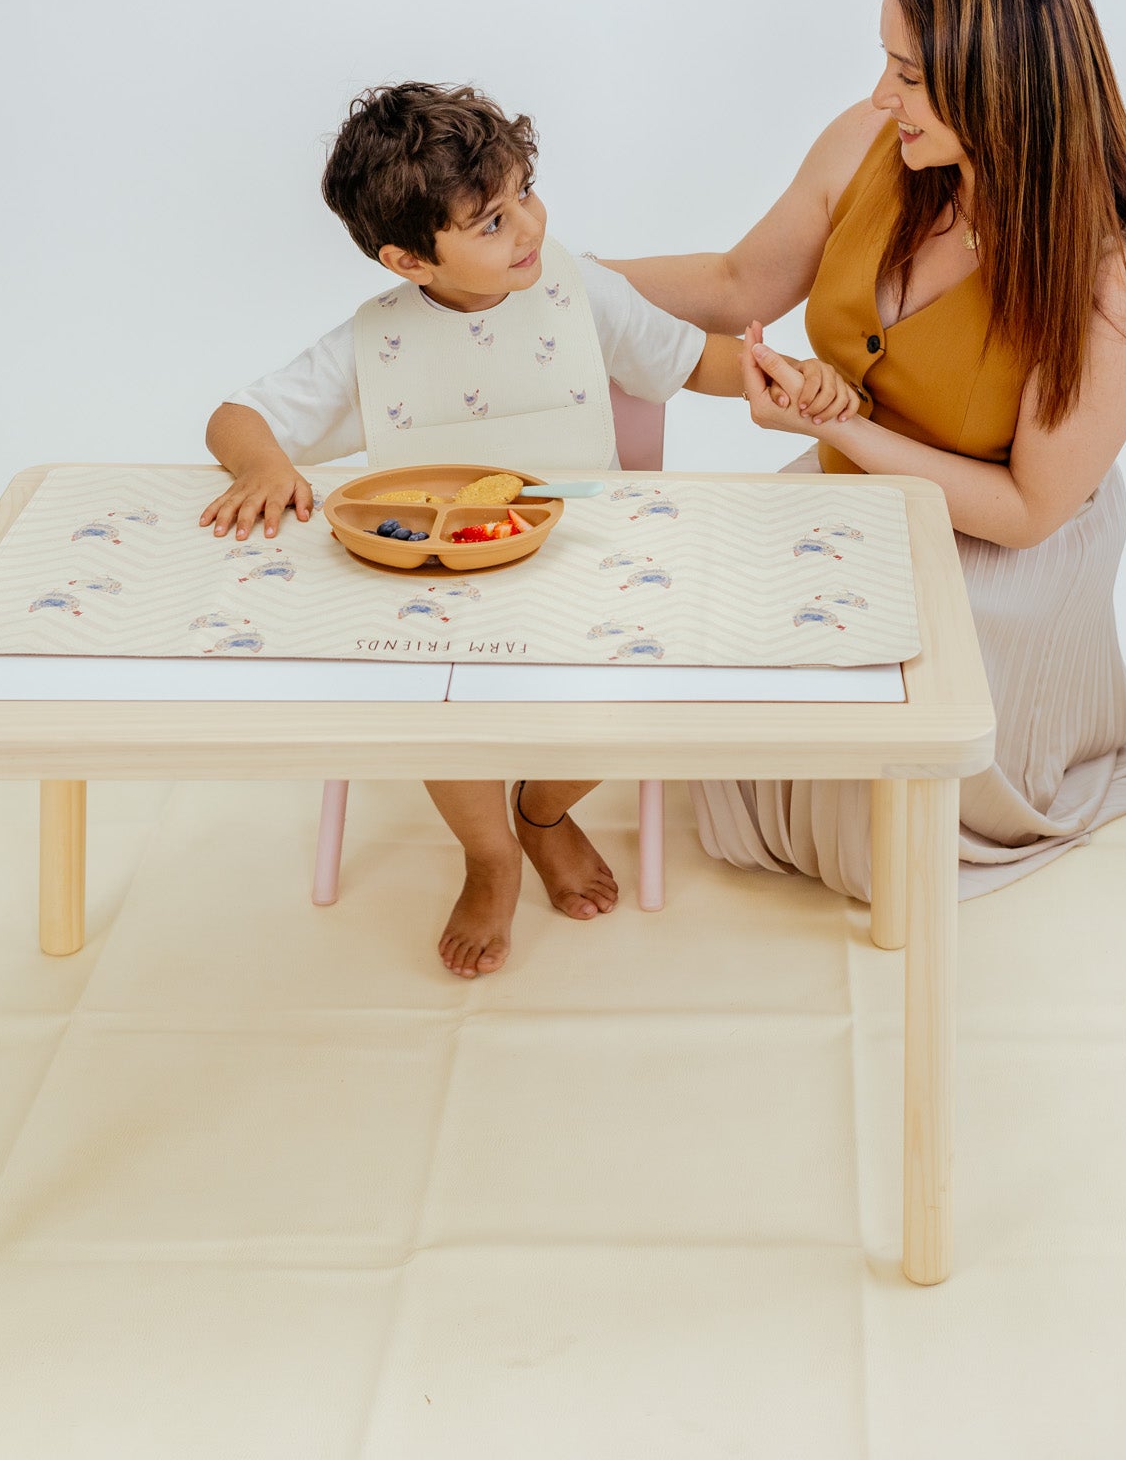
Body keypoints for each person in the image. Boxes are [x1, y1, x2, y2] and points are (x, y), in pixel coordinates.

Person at [606, 0, 1126, 898]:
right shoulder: (873, 144)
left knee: (875, 839)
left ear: (1000, 87)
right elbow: (737, 282)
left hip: (998, 551)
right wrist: (560, 282)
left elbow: (1029, 509)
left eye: (908, 72)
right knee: (699, 626)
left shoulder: (1115, 280)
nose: (877, 95)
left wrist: (836, 425)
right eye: (885, 60)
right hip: (855, 495)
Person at [199, 82, 769, 974]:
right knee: (437, 705)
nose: (529, 229)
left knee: (658, 688)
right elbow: (236, 417)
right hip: (438, 576)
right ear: (408, 261)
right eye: (491, 224)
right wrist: (268, 466)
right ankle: (490, 851)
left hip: (580, 552)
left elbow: (695, 361)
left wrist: (786, 376)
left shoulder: (584, 292)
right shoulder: (372, 344)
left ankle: (541, 808)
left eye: (524, 196)